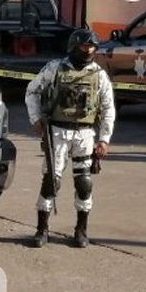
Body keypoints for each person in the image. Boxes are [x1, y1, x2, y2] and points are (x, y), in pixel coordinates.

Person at [25, 29, 115, 248]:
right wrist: (36, 119)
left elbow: (108, 107)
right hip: (57, 131)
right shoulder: (55, 68)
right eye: (85, 46)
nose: (89, 50)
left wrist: (104, 139)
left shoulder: (99, 75)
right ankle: (42, 229)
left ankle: (81, 230)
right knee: (50, 182)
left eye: (92, 47)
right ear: (74, 46)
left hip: (84, 134)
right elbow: (32, 91)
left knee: (84, 183)